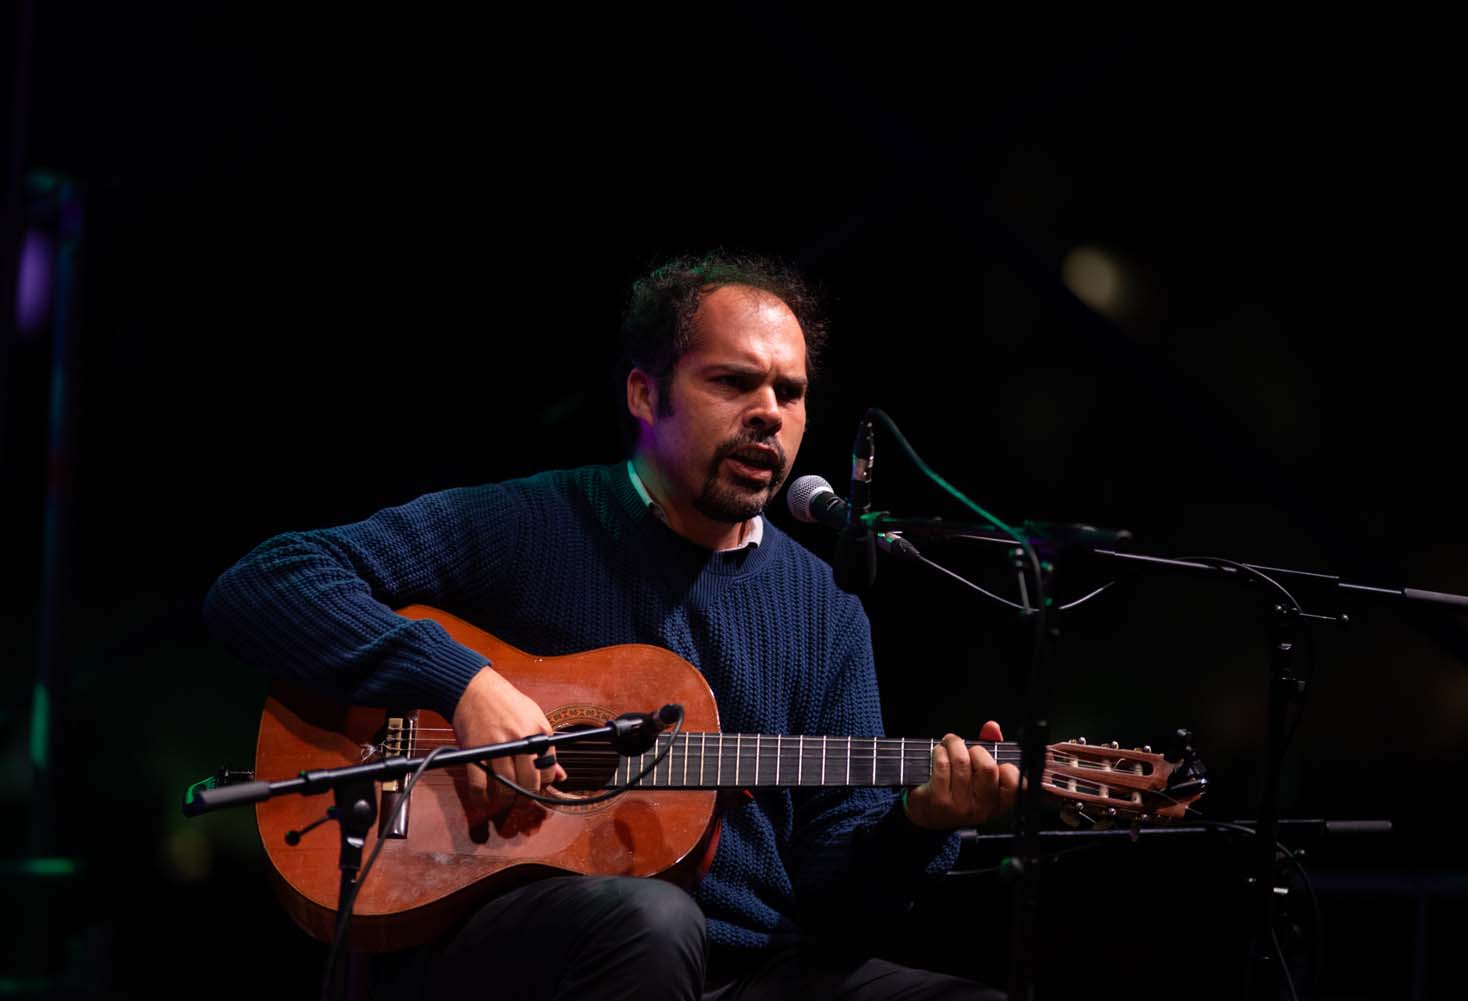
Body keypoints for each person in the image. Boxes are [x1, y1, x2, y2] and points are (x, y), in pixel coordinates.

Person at [205, 253, 1019, 1000]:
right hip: (512, 941)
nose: (769, 414)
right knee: (655, 922)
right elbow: (267, 582)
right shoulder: (532, 524)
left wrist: (920, 824)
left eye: (791, 392)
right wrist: (462, 683)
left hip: (750, 967)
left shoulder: (827, 609)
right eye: (735, 383)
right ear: (645, 394)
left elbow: (837, 897)